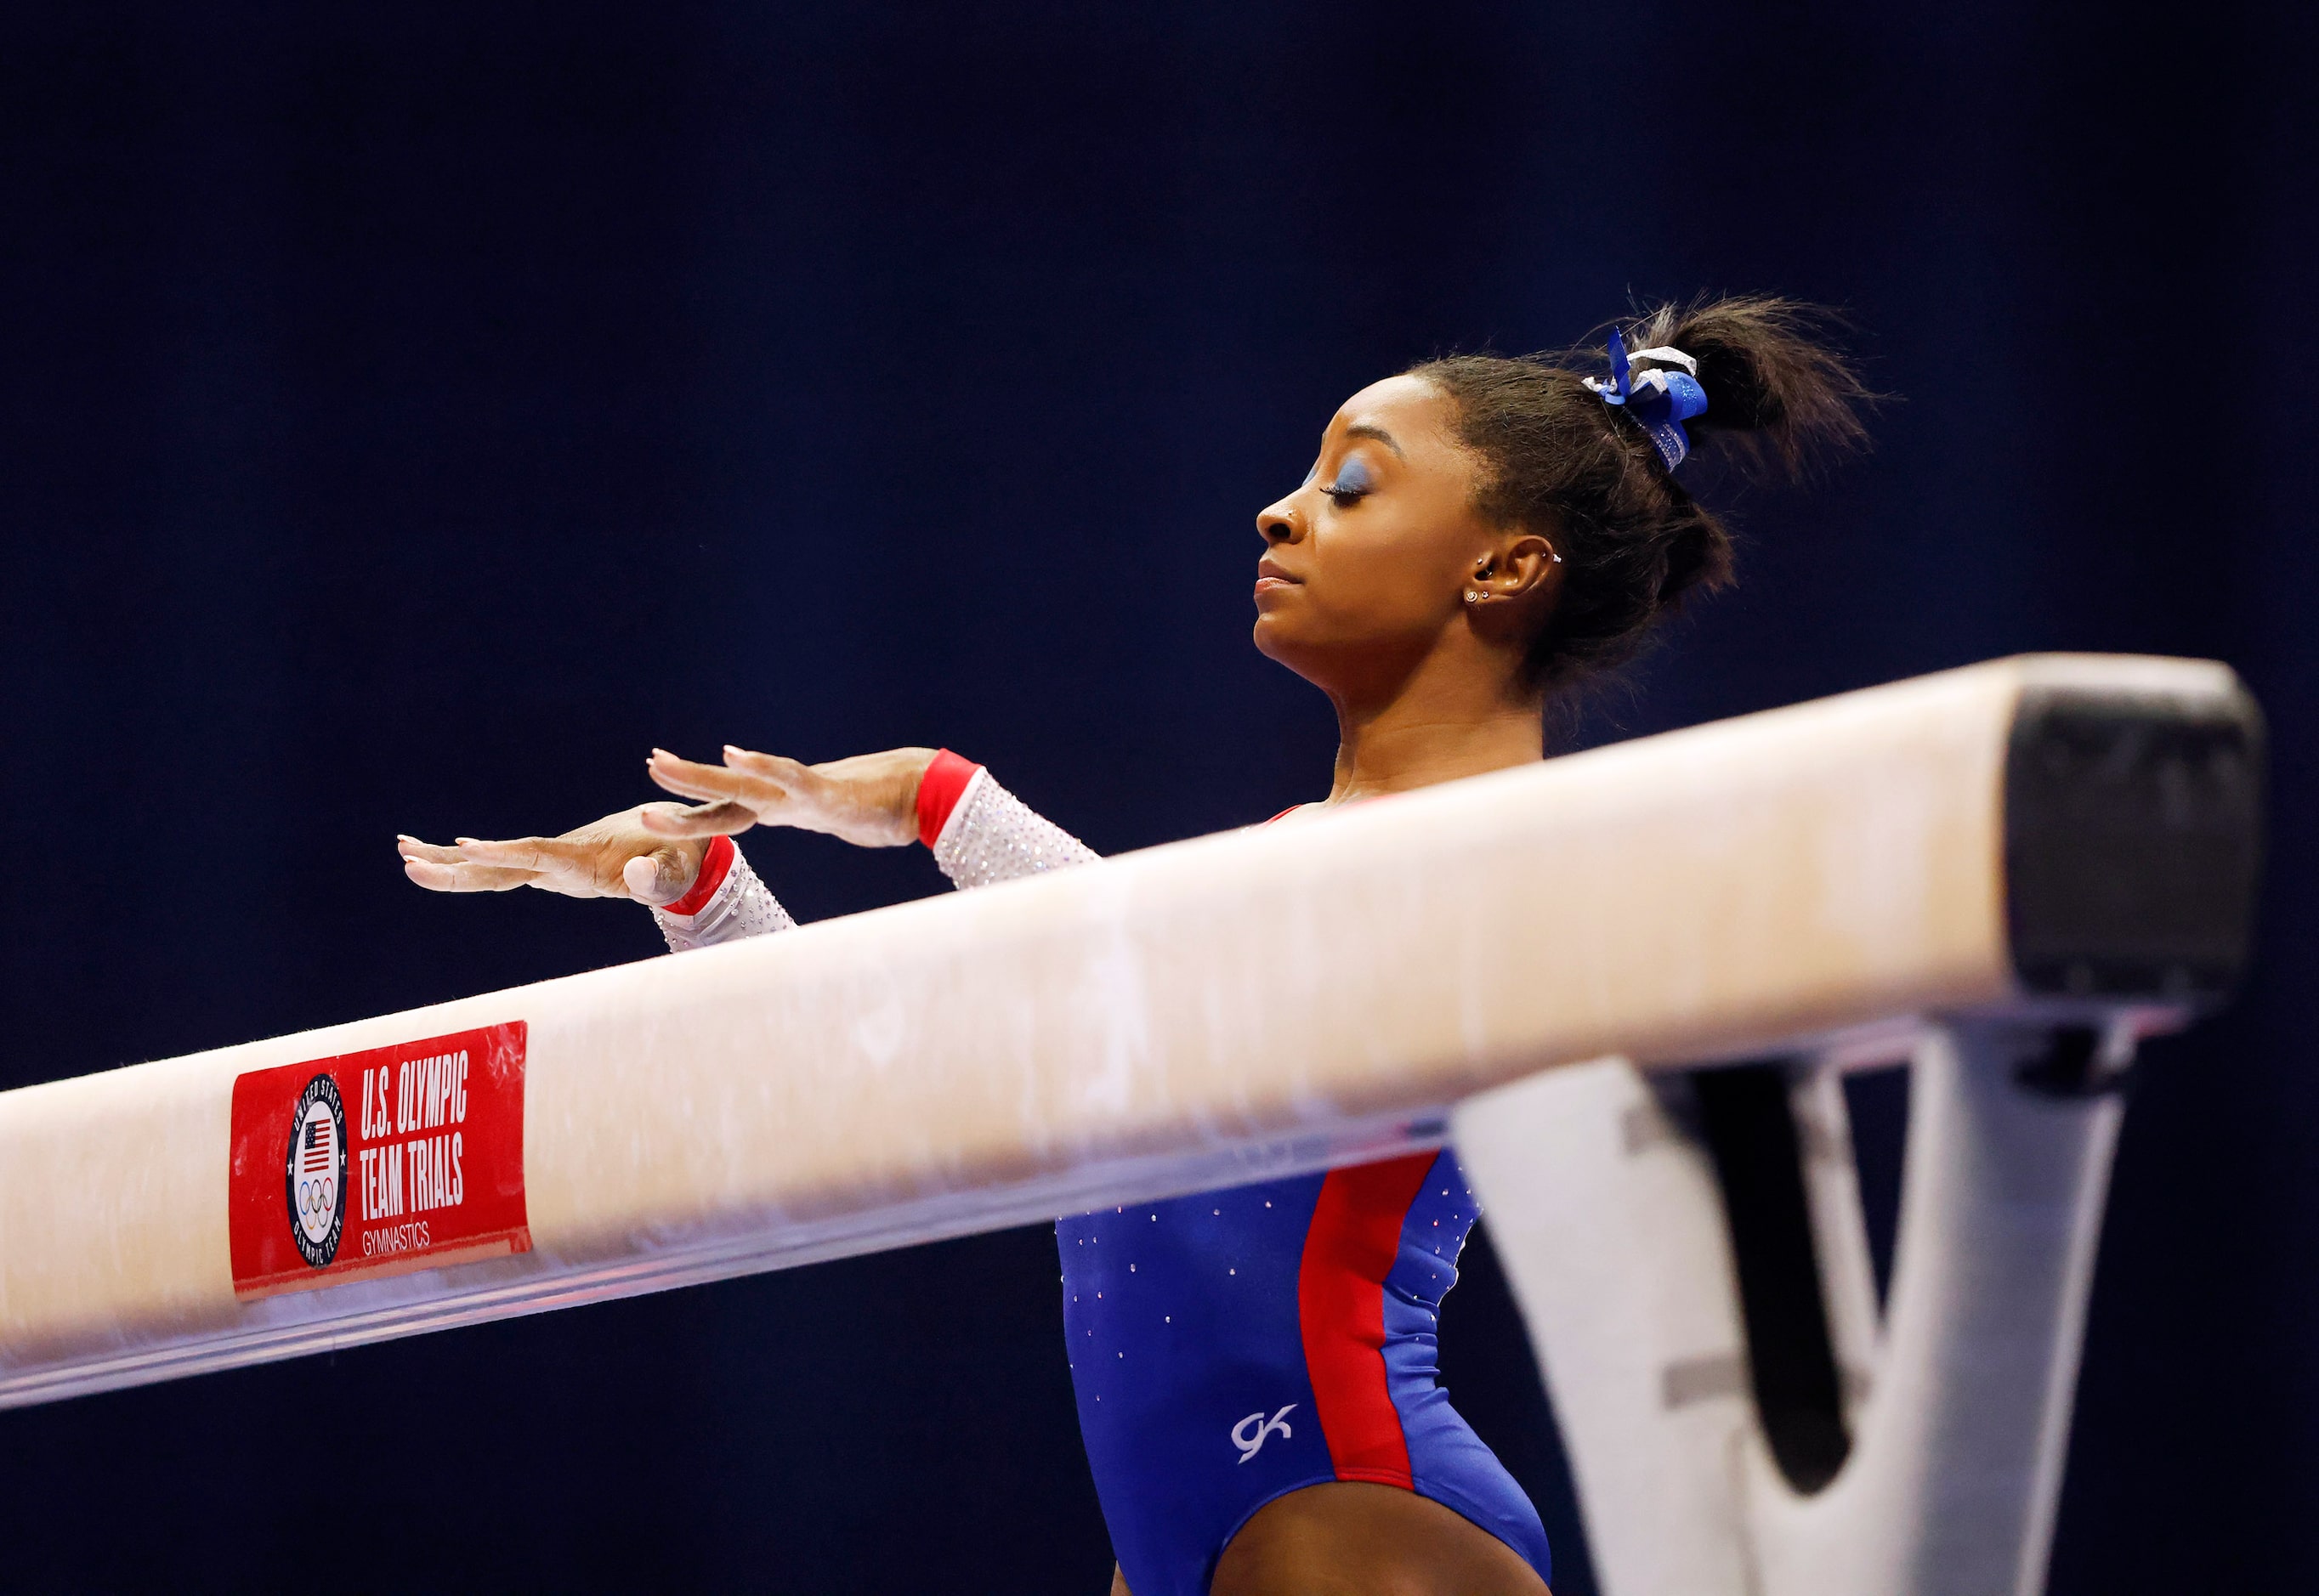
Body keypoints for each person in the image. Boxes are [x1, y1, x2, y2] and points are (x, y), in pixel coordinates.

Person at [399, 295, 1870, 1596]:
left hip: (1349, 1501)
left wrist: (940, 801)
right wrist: (698, 888)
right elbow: (892, 1094)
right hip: (1199, 1523)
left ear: (1503, 570)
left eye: (1350, 488)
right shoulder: (1265, 886)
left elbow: (1139, 966)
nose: (1278, 514)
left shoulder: (1515, 856)